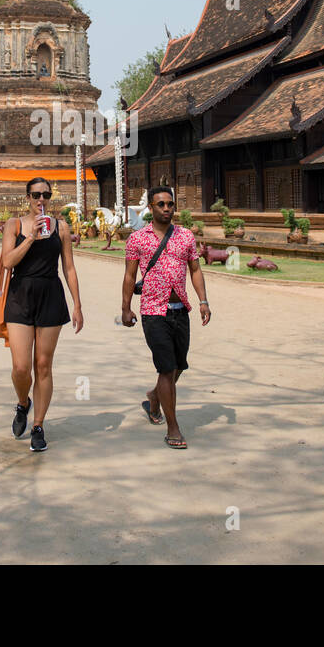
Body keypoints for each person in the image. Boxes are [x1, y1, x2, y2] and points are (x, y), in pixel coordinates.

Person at [121, 185, 210, 449]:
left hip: (180, 310)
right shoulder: (137, 239)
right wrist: (126, 307)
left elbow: (195, 270)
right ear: (150, 208)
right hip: (152, 311)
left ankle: (154, 396)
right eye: (161, 204)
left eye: (170, 204)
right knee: (167, 368)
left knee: (179, 366)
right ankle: (173, 427)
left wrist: (203, 300)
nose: (167, 209)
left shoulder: (185, 237)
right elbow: (129, 276)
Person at [1, 178, 84, 452]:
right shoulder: (14, 225)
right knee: (21, 367)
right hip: (20, 296)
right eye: (36, 195)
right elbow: (8, 262)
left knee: (44, 365)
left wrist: (77, 304)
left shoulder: (61, 227)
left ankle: (38, 425)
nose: (41, 200)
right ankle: (23, 402)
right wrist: (32, 237)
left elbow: (69, 268)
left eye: (46, 195)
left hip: (50, 294)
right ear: (27, 197)